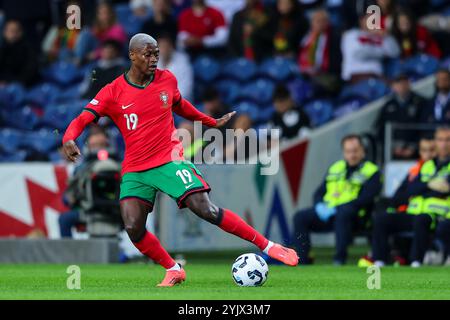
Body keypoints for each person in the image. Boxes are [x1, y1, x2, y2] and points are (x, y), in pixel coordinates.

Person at [61, 33, 298, 287]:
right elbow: (84, 117)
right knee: (132, 227)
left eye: (156, 54)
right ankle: (173, 269)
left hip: (169, 159)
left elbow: (180, 105)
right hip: (136, 168)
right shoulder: (113, 91)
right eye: (148, 54)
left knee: (205, 208)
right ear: (132, 55)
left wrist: (209, 121)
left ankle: (268, 245)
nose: (154, 59)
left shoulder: (167, 79)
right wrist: (69, 137)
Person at [292, 134, 382, 265]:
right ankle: (302, 260)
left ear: (363, 151)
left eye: (355, 151)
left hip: (356, 216)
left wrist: (338, 208)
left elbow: (367, 198)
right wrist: (319, 206)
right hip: (328, 213)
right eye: (348, 151)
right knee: (299, 217)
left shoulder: (372, 171)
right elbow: (319, 193)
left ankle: (339, 259)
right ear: (344, 153)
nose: (352, 155)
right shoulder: (336, 168)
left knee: (343, 214)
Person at [372, 126, 450, 267]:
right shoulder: (427, 166)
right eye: (440, 139)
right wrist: (429, 185)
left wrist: (423, 187)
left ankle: (415, 262)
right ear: (435, 141)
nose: (443, 144)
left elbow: (442, 190)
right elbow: (408, 191)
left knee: (421, 220)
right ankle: (379, 261)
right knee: (382, 219)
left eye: (447, 140)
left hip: (439, 216)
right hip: (414, 212)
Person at [59, 127, 111, 237]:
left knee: (135, 217)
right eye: (94, 146)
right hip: (88, 211)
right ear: (88, 146)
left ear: (107, 145)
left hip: (114, 210)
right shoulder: (81, 169)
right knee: (64, 219)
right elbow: (67, 197)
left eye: (101, 145)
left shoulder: (119, 164)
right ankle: (69, 254)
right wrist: (70, 198)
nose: (98, 150)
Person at [376, 74, 428, 160]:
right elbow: (380, 129)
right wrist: (392, 147)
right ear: (393, 86)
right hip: (393, 152)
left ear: (408, 84)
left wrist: (414, 146)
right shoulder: (388, 105)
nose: (402, 87)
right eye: (398, 84)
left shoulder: (420, 102)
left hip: (416, 151)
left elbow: (424, 126)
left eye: (404, 83)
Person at [341, 13, 400, 83]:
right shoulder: (351, 34)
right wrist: (382, 53)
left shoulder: (380, 36)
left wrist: (386, 36)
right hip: (356, 75)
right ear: (361, 21)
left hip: (377, 76)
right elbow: (358, 54)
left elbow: (395, 53)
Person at [297, 9, 341, 94]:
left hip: (326, 74)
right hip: (306, 73)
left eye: (323, 21)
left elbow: (336, 60)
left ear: (328, 22)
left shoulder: (335, 36)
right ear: (312, 23)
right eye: (318, 21)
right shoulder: (306, 37)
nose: (321, 24)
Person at [0, 19, 38, 86]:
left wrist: (10, 83)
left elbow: (30, 72)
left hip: (21, 86)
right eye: (11, 30)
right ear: (4, 32)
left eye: (16, 31)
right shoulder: (2, 50)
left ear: (21, 32)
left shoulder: (28, 50)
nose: (13, 33)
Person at [157, 33, 193, 101]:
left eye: (165, 47)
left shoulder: (183, 61)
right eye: (160, 47)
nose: (163, 50)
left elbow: (186, 89)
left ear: (171, 47)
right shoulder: (154, 62)